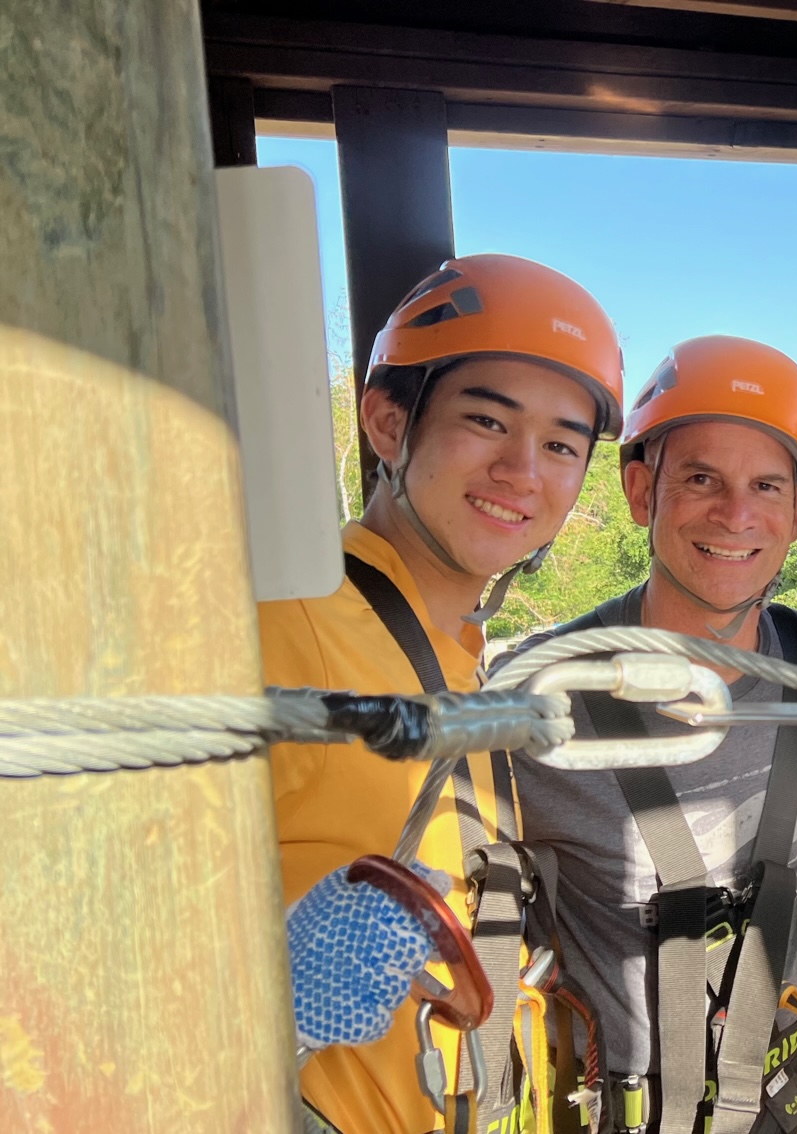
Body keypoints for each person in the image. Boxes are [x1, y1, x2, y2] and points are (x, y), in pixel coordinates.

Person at [260, 253, 624, 1134]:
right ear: (389, 423)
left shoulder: (460, 660)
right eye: (486, 421)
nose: (523, 470)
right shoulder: (283, 624)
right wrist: (266, 1002)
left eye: (562, 445)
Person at [502, 336, 797, 1134]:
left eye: (766, 485)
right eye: (701, 479)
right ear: (638, 490)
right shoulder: (543, 690)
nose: (735, 514)